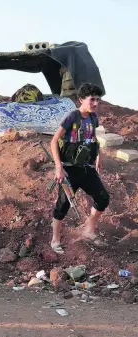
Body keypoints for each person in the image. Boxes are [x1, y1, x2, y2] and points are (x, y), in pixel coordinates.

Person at [50, 82, 110, 254]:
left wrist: (98, 156)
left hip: (86, 167)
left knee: (103, 198)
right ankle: (55, 240)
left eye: (98, 100)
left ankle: (89, 230)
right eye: (92, 100)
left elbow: (94, 139)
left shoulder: (93, 118)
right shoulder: (72, 116)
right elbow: (54, 141)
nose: (96, 103)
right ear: (81, 99)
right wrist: (58, 167)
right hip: (69, 169)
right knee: (63, 205)